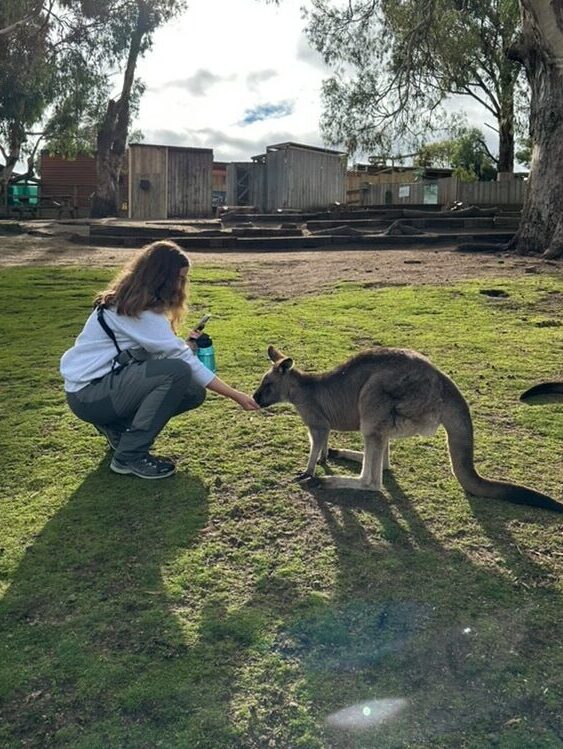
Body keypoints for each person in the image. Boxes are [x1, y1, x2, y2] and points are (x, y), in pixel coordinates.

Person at [60, 240, 259, 479]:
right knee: (177, 372)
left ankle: (118, 429)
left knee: (192, 391)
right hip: (90, 396)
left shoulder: (133, 301)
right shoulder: (134, 310)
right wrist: (237, 396)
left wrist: (183, 346)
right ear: (160, 277)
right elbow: (181, 360)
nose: (181, 285)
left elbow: (159, 349)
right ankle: (129, 456)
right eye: (179, 278)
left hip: (100, 389)